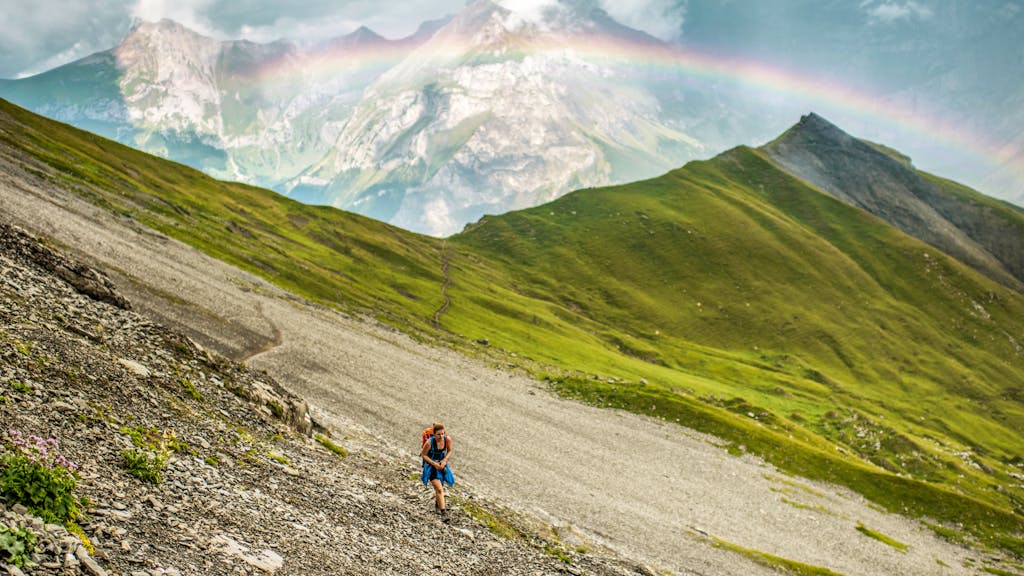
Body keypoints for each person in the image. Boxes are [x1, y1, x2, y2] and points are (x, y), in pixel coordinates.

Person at [420, 422, 455, 519]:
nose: (441, 436)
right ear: (434, 434)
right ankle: (444, 513)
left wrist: (444, 460)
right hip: (431, 467)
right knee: (439, 489)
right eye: (438, 434)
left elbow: (450, 450)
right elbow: (423, 455)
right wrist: (434, 464)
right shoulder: (429, 443)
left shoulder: (447, 440)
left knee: (440, 487)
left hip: (442, 465)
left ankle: (438, 505)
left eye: (443, 434)